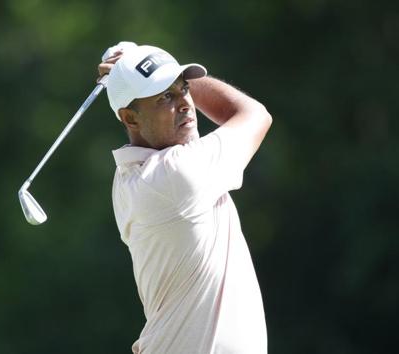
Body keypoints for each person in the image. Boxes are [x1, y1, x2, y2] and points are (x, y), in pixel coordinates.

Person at [97, 42, 272, 354]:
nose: (185, 103)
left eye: (183, 88)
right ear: (131, 118)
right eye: (165, 96)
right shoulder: (176, 175)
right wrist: (135, 58)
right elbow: (254, 115)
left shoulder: (130, 176)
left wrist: (135, 66)